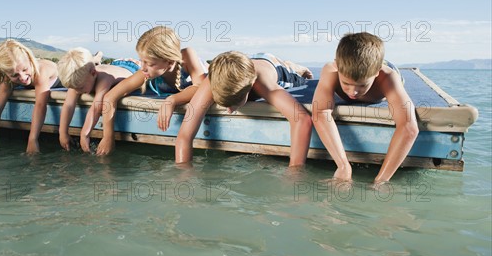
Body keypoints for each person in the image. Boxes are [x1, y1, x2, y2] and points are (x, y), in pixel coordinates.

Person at [312, 32, 419, 183]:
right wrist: (343, 166)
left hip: (387, 68)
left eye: (362, 85)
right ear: (338, 67)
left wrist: (381, 180)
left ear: (376, 73)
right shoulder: (331, 70)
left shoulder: (387, 78)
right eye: (346, 84)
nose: (353, 92)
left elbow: (408, 127)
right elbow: (321, 113)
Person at [175, 51, 313, 166]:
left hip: (275, 68)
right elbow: (184, 137)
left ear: (251, 86)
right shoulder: (212, 81)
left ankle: (294, 67)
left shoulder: (263, 84)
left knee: (298, 75)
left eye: (233, 104)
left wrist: (295, 170)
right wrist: (183, 173)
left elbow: (302, 119)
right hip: (246, 62)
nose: (229, 111)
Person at [96, 25, 207, 155]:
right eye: (141, 61)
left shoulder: (187, 55)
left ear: (169, 62)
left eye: (149, 63)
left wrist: (172, 100)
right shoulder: (146, 71)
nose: (143, 68)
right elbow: (110, 96)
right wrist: (108, 137)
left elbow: (201, 87)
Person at [57, 47, 140, 152]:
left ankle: (96, 58)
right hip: (113, 64)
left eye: (81, 88)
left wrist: (84, 134)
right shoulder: (79, 80)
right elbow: (68, 105)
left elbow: (96, 107)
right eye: (74, 89)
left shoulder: (104, 79)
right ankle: (97, 58)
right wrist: (63, 132)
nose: (77, 92)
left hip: (132, 67)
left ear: (93, 73)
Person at [0, 39, 61, 154]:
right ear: (5, 73)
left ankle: (96, 58)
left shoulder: (41, 72)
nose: (22, 77)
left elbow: (40, 105)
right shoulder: (7, 81)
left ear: (30, 60)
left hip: (59, 75)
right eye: (15, 75)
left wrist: (32, 140)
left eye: (25, 69)